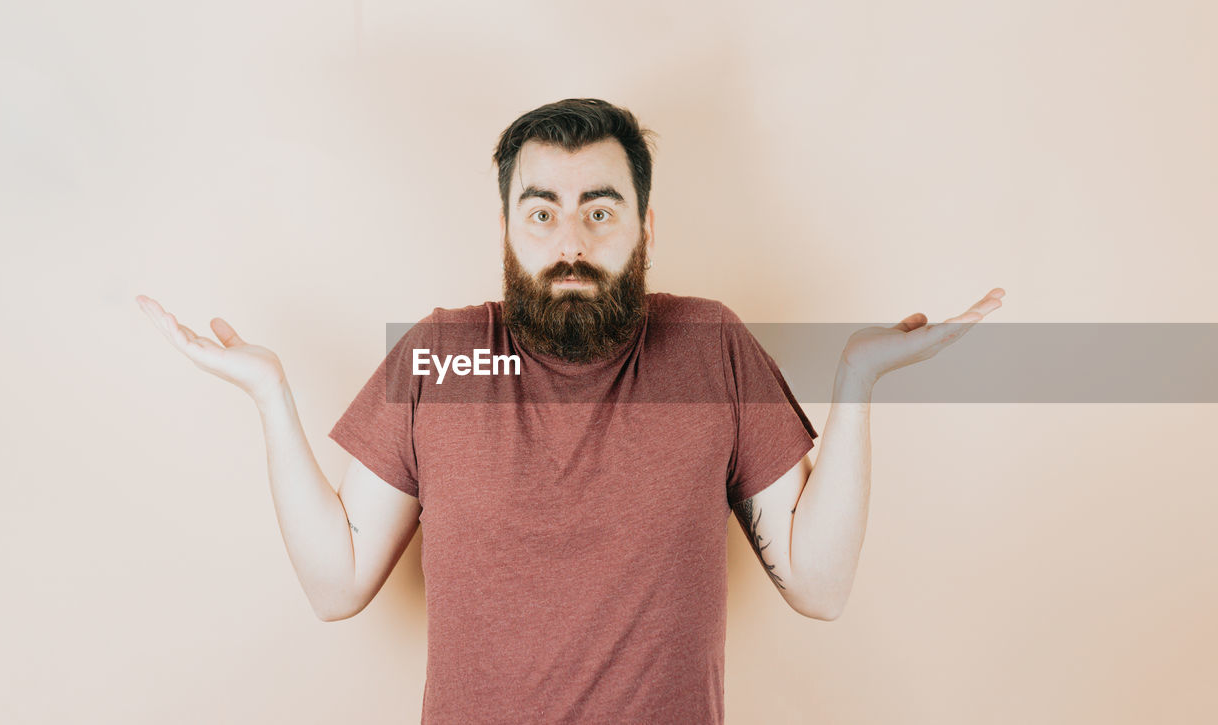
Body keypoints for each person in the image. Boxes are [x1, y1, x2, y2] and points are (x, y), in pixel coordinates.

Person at [136, 98, 1005, 724]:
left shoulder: (713, 349)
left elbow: (819, 585)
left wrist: (856, 383)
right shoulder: (438, 355)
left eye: (600, 210)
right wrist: (269, 393)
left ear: (646, 229)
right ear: (508, 228)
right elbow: (337, 582)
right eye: (542, 212)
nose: (571, 244)